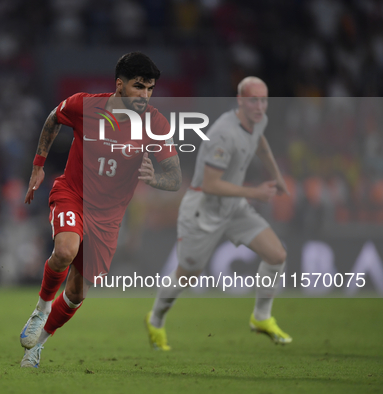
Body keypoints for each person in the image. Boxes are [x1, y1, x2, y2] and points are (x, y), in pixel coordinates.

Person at [20, 52, 182, 367]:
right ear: (119, 85)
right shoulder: (85, 105)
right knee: (65, 250)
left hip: (108, 217)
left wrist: (155, 178)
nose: (145, 96)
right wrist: (38, 166)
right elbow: (54, 118)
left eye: (150, 89)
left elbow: (174, 177)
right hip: (73, 194)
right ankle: (40, 310)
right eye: (139, 87)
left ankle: (37, 346)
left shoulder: (155, 123)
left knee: (77, 293)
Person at [146, 77, 292, 350]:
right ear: (240, 101)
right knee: (186, 276)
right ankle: (156, 318)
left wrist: (276, 175)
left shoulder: (258, 120)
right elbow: (211, 185)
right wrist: (254, 192)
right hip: (203, 210)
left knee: (277, 255)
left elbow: (259, 143)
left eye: (264, 100)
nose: (260, 106)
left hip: (233, 207)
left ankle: (261, 317)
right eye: (253, 100)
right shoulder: (223, 134)